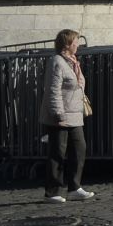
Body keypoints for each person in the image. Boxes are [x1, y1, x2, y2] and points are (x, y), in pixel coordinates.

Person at [42, 30, 94, 202]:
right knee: (57, 152)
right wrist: (58, 113)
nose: (78, 44)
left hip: (74, 114)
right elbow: (53, 90)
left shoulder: (72, 62)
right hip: (61, 115)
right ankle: (53, 191)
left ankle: (74, 187)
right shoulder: (57, 62)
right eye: (75, 42)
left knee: (79, 149)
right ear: (67, 44)